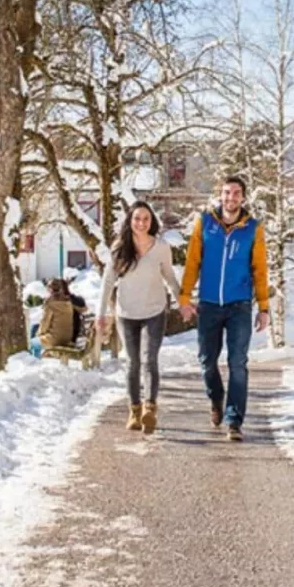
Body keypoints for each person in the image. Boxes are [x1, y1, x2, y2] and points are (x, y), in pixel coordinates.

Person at [179, 174, 268, 442]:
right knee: (207, 361)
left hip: (239, 305)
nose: (231, 198)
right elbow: (193, 262)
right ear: (220, 195)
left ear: (243, 197)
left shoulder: (253, 228)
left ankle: (234, 421)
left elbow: (260, 270)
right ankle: (216, 399)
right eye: (227, 193)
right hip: (208, 304)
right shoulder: (205, 223)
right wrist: (184, 297)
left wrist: (263, 307)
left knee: (237, 362)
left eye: (236, 193)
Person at [97, 200, 180, 434]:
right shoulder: (120, 247)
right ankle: (134, 411)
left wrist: (183, 301)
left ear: (151, 221)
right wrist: (101, 313)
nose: (141, 223)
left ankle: (150, 409)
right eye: (137, 219)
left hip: (155, 311)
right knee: (132, 362)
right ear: (130, 221)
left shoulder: (161, 247)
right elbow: (108, 282)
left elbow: (170, 277)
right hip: (126, 313)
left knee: (149, 359)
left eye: (145, 219)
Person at [37, 278, 78, 350]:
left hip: (55, 339)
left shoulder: (50, 304)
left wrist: (39, 334)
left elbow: (45, 322)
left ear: (50, 289)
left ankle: (37, 361)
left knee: (33, 342)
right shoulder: (68, 302)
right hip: (67, 338)